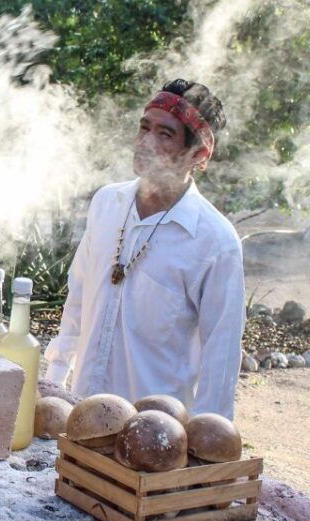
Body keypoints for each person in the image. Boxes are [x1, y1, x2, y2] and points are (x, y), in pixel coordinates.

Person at [44, 79, 245, 419]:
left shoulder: (216, 242)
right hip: (81, 414)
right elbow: (78, 299)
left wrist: (207, 445)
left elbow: (221, 357)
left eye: (165, 134)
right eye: (143, 127)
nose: (145, 142)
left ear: (197, 154)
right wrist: (55, 382)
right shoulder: (107, 202)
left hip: (153, 435)